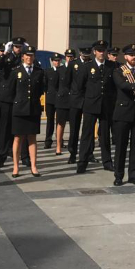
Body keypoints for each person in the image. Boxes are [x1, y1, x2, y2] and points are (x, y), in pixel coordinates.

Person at [77, 40, 116, 173]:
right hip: (90, 105)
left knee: (105, 135)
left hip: (106, 106)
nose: (101, 53)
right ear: (94, 52)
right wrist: (84, 103)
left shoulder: (112, 66)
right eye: (99, 50)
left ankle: (107, 162)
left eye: (103, 50)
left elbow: (114, 87)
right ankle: (82, 162)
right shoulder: (87, 66)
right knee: (87, 135)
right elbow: (80, 87)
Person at [112, 44, 135, 186]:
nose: (134, 57)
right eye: (131, 55)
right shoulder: (119, 71)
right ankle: (118, 175)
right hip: (123, 113)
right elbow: (122, 85)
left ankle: (133, 174)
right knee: (121, 146)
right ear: (125, 56)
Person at [8, 46, 45, 178]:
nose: (29, 58)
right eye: (27, 55)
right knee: (18, 138)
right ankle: (16, 166)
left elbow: (40, 89)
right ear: (22, 56)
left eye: (32, 55)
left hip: (33, 109)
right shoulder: (16, 71)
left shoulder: (39, 72)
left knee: (32, 138)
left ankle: (34, 166)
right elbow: (11, 91)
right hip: (19, 109)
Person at [0, 38, 25, 168]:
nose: (18, 49)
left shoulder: (25, 58)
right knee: (4, 129)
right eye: (16, 46)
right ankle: (1, 156)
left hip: (20, 97)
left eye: (20, 47)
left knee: (22, 129)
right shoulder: (7, 57)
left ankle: (25, 156)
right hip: (7, 98)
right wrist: (5, 53)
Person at [67, 47, 91, 164]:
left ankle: (89, 153)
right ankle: (72, 153)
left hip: (88, 99)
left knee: (88, 129)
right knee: (74, 128)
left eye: (87, 55)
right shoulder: (73, 64)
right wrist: (72, 94)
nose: (85, 57)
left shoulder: (91, 64)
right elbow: (67, 81)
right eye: (84, 54)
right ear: (80, 53)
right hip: (75, 99)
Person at [53, 49, 74, 156]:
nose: (69, 58)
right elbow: (55, 85)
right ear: (65, 57)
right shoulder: (60, 69)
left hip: (73, 99)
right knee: (60, 123)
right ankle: (58, 146)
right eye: (68, 56)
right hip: (62, 99)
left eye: (71, 57)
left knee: (73, 124)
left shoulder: (76, 68)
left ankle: (72, 146)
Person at [43, 53, 62, 150]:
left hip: (60, 99)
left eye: (58, 61)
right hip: (50, 99)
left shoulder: (63, 71)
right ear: (52, 61)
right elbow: (45, 85)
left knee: (60, 121)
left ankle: (60, 141)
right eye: (55, 60)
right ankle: (48, 141)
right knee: (50, 121)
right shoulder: (48, 71)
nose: (56, 62)